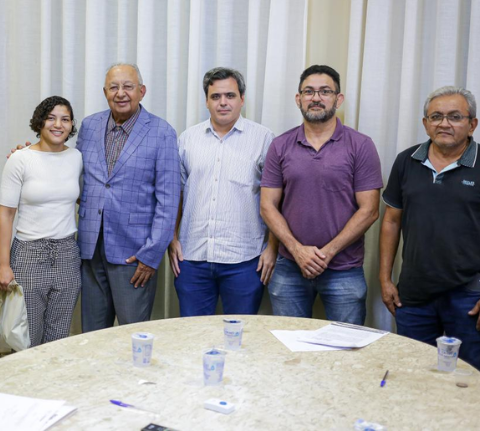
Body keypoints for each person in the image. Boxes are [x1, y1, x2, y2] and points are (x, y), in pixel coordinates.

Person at [260, 65, 382, 325]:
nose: (316, 98)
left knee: (347, 348)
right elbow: (268, 206)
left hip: (344, 269)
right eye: (309, 92)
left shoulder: (361, 145)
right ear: (298, 99)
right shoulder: (280, 145)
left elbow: (369, 210)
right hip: (289, 267)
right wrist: (297, 250)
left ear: (338, 99)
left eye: (325, 91)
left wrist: (326, 253)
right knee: (288, 346)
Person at [380, 86, 480, 369]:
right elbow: (391, 220)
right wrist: (385, 279)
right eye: (436, 116)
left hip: (470, 295)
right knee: (414, 373)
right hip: (413, 294)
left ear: (472, 124)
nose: (444, 123)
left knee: (470, 377)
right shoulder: (406, 160)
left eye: (455, 116)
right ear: (425, 124)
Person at [77, 63, 180, 332]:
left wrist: (151, 254)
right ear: (105, 92)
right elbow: (73, 176)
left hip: (134, 254)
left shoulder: (162, 132)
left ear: (142, 91)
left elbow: (168, 201)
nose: (121, 93)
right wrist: (34, 156)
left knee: (130, 334)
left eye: (128, 86)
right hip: (90, 249)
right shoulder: (89, 126)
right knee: (93, 334)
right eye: (114, 87)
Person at [168, 67, 276, 316]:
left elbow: (276, 200)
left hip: (246, 261)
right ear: (206, 100)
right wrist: (172, 239)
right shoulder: (187, 139)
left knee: (240, 337)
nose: (223, 102)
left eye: (230, 95)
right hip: (192, 257)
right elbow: (176, 195)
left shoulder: (264, 139)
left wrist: (273, 248)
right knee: (192, 336)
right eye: (216, 96)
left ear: (242, 99)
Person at [0, 96, 83, 346]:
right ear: (40, 122)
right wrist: (4, 264)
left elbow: (75, 198)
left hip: (67, 253)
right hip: (29, 255)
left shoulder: (76, 158)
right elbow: (5, 215)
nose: (58, 124)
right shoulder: (20, 159)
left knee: (58, 337)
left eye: (65, 119)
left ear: (71, 125)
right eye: (51, 118)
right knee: (27, 337)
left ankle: (53, 385)